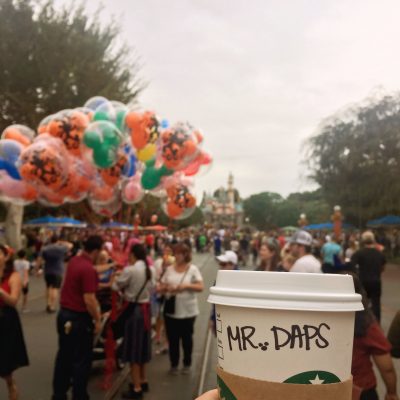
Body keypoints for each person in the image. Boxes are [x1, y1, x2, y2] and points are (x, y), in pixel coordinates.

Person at [52, 235, 103, 400]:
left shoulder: (75, 261)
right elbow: (89, 299)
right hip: (78, 318)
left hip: (64, 315)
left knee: (64, 357)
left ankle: (59, 393)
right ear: (96, 251)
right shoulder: (88, 269)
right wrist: (98, 319)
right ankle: (79, 395)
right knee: (81, 360)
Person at [113, 244, 155, 399]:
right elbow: (152, 288)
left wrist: (114, 278)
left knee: (133, 350)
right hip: (146, 310)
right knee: (143, 347)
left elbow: (115, 286)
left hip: (134, 312)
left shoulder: (130, 270)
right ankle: (143, 380)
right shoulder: (150, 270)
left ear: (133, 255)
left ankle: (136, 388)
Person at [351, 275, 399, 400]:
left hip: (325, 388)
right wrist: (392, 392)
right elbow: (386, 367)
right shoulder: (366, 325)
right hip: (361, 389)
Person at [160, 243, 204, 375]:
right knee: (172, 339)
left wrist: (185, 286)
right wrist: (167, 288)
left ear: (186, 255)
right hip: (171, 310)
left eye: (179, 253)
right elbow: (161, 286)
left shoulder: (193, 269)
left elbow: (201, 287)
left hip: (188, 311)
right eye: (176, 253)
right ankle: (174, 364)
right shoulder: (169, 269)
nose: (177, 256)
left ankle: (187, 363)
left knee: (186, 338)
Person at [0, 244, 29, 400]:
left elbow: (13, 300)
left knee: (5, 368)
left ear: (6, 256)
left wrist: (0, 292)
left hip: (6, 321)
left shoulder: (13, 276)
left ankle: (12, 387)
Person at [351, 231, 386, 322]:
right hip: (376, 281)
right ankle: (377, 323)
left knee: (362, 303)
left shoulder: (359, 253)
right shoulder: (379, 253)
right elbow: (383, 267)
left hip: (363, 281)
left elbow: (352, 265)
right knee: (376, 304)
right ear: (373, 240)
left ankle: (362, 322)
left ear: (363, 241)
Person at [40, 235, 73, 313]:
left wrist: (38, 268)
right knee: (55, 288)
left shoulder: (45, 248)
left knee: (48, 287)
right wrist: (61, 242)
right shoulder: (61, 248)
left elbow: (40, 258)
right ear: (57, 240)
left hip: (47, 270)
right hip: (58, 270)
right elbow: (71, 245)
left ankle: (48, 303)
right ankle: (52, 305)